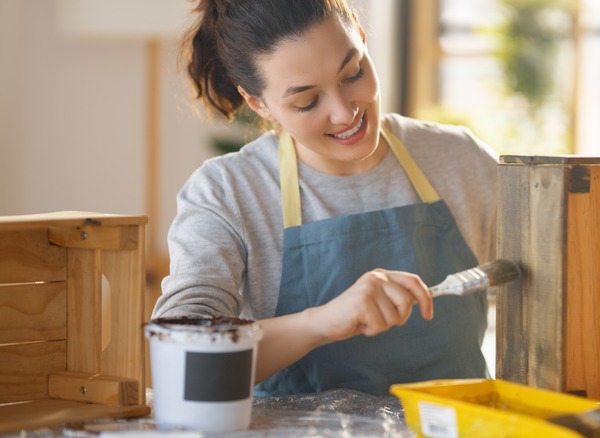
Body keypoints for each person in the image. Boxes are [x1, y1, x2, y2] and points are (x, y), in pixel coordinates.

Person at [152, 0, 499, 397]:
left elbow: (559, 287)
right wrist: (321, 322)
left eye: (353, 73)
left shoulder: (459, 159)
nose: (345, 112)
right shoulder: (228, 192)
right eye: (307, 102)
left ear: (363, 40)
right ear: (258, 103)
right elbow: (179, 363)